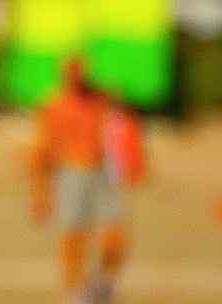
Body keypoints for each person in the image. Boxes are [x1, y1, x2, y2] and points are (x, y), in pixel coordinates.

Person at [28, 58, 146, 304]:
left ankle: (104, 283)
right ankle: (73, 292)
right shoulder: (54, 106)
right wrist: (41, 194)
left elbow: (126, 121)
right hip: (71, 172)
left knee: (115, 234)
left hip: (102, 172)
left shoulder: (99, 100)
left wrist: (133, 162)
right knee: (73, 236)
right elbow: (42, 151)